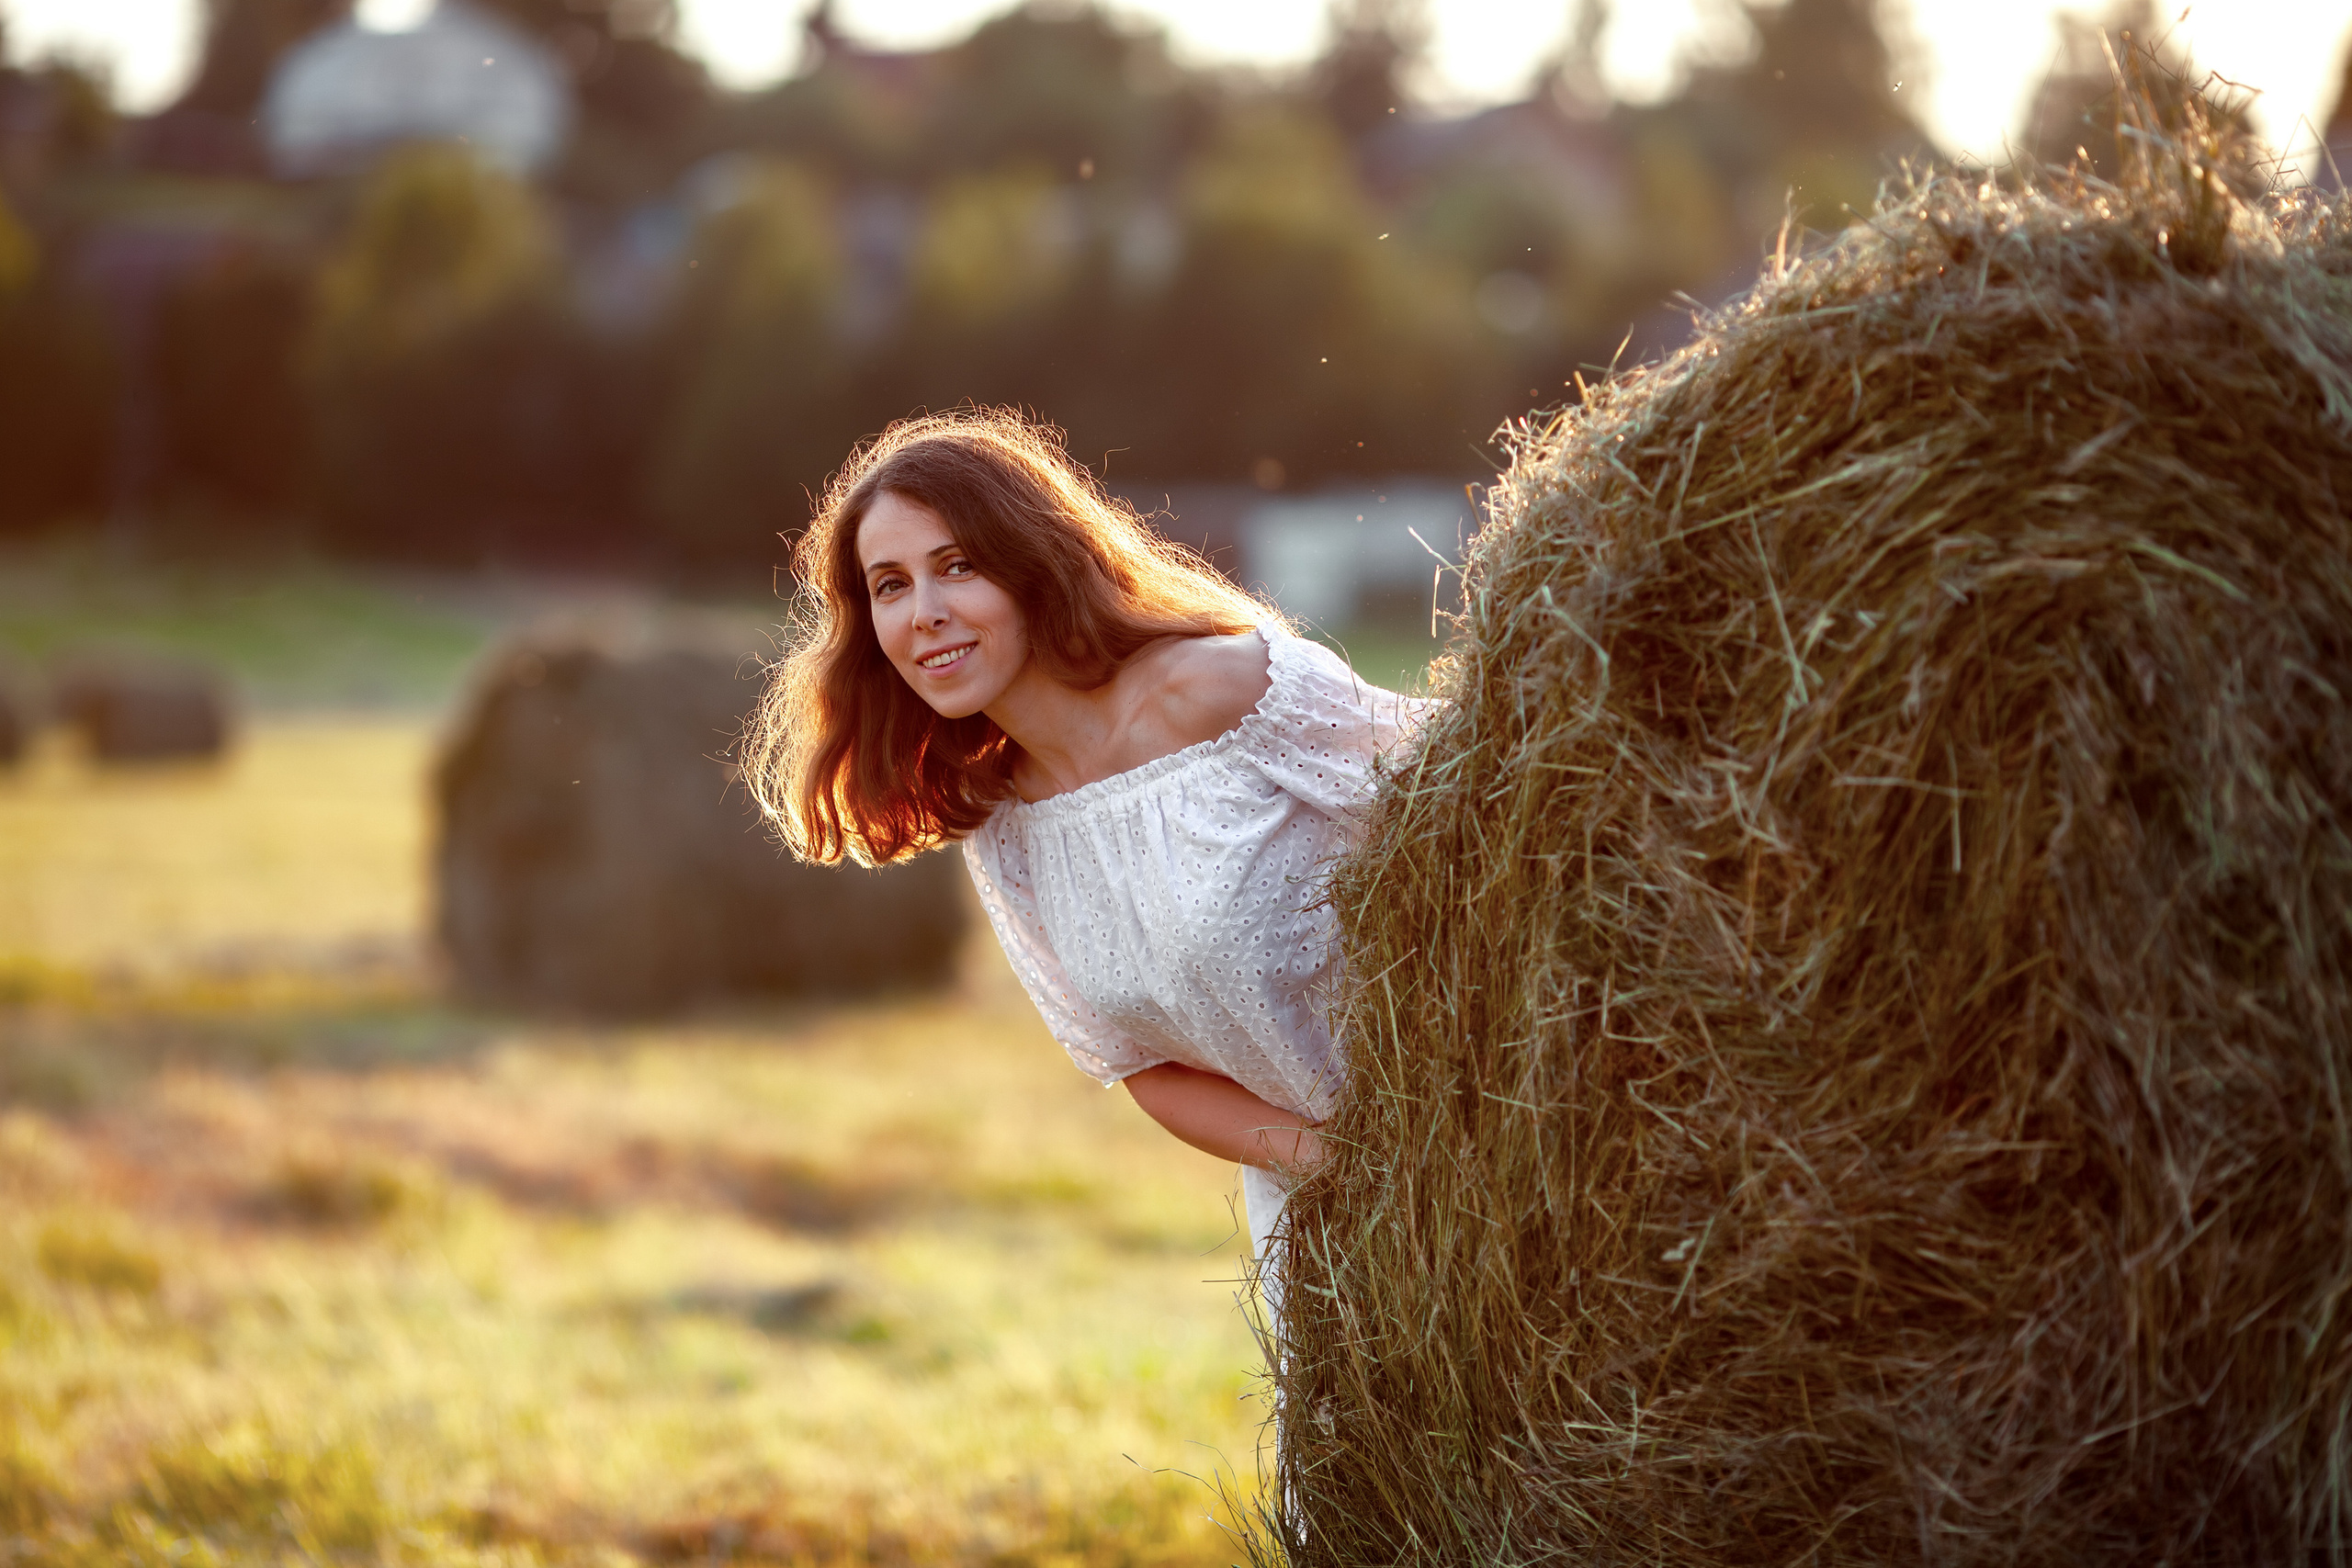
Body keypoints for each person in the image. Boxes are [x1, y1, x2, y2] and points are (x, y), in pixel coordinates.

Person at [749, 409, 1431, 1323]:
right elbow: (1143, 1067)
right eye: (890, 586)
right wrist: (1351, 1167)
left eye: (958, 566)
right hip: (1332, 1207)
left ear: (1031, 561)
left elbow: (1473, 810)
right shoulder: (1006, 826)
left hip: (1489, 1116)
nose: (925, 612)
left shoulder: (1224, 689)